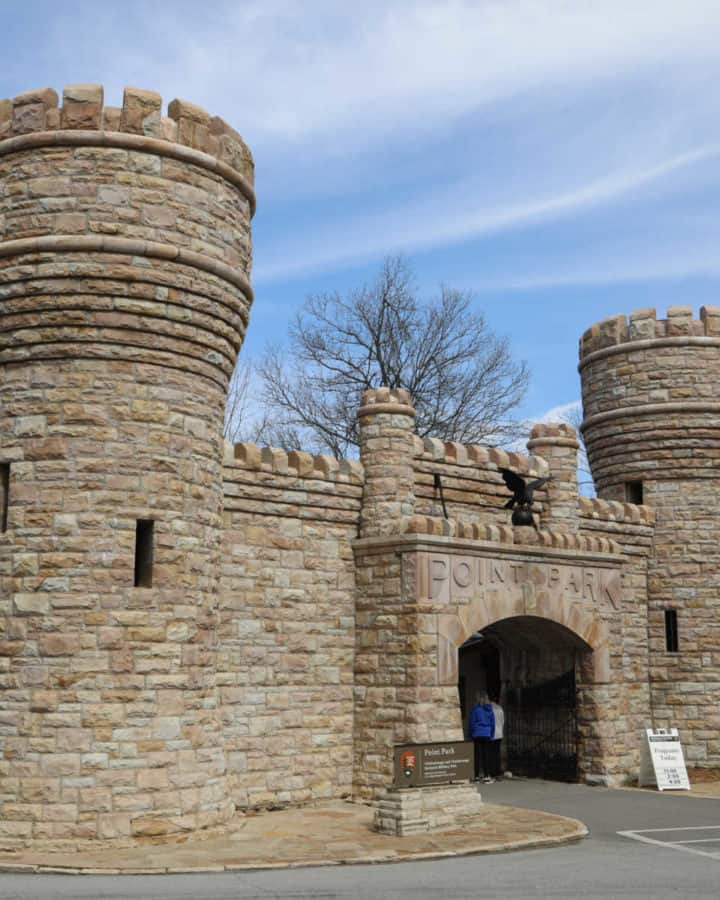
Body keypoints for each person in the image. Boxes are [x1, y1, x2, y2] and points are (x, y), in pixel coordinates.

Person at [468, 691, 495, 783]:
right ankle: (487, 776)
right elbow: (492, 723)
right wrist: (492, 734)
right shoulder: (490, 709)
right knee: (486, 755)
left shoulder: (475, 709)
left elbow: (472, 722)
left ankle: (476, 776)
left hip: (477, 734)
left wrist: (470, 734)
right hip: (487, 733)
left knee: (477, 756)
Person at [490, 696, 504, 778]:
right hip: (499, 734)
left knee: (491, 754)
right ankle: (497, 771)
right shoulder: (500, 708)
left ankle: (492, 772)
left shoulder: (489, 709)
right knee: (497, 753)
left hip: (492, 734)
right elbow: (502, 721)